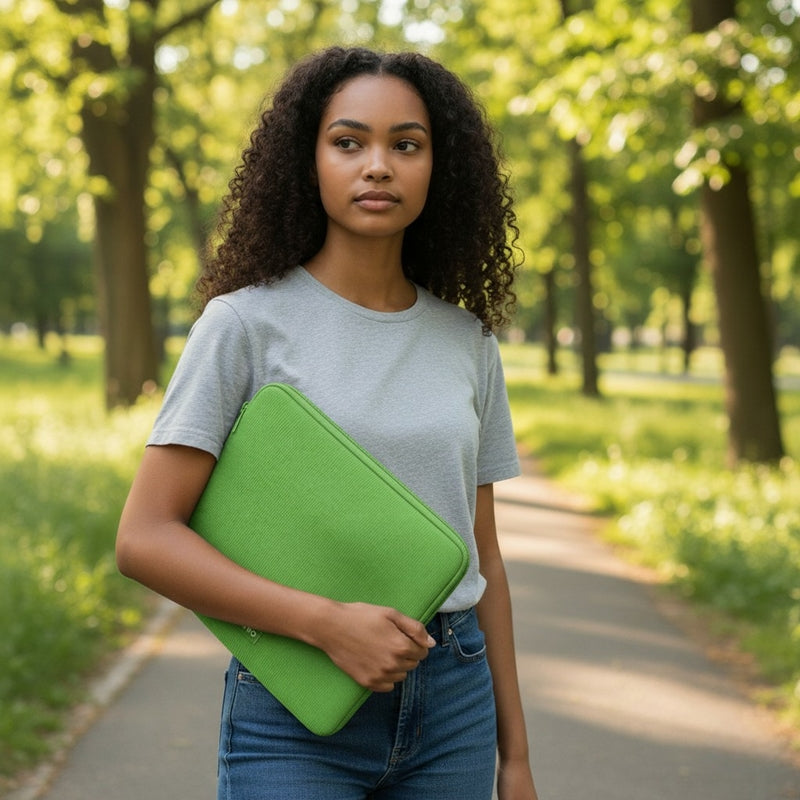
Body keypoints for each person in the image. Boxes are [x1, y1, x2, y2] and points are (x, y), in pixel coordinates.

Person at [116, 45, 540, 800]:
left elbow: (487, 558)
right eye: (349, 142)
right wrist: (326, 624)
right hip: (294, 698)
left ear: (439, 168)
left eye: (405, 145)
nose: (378, 166)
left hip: (454, 704)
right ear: (307, 161)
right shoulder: (244, 326)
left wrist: (517, 759)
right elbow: (145, 538)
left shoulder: (468, 342)